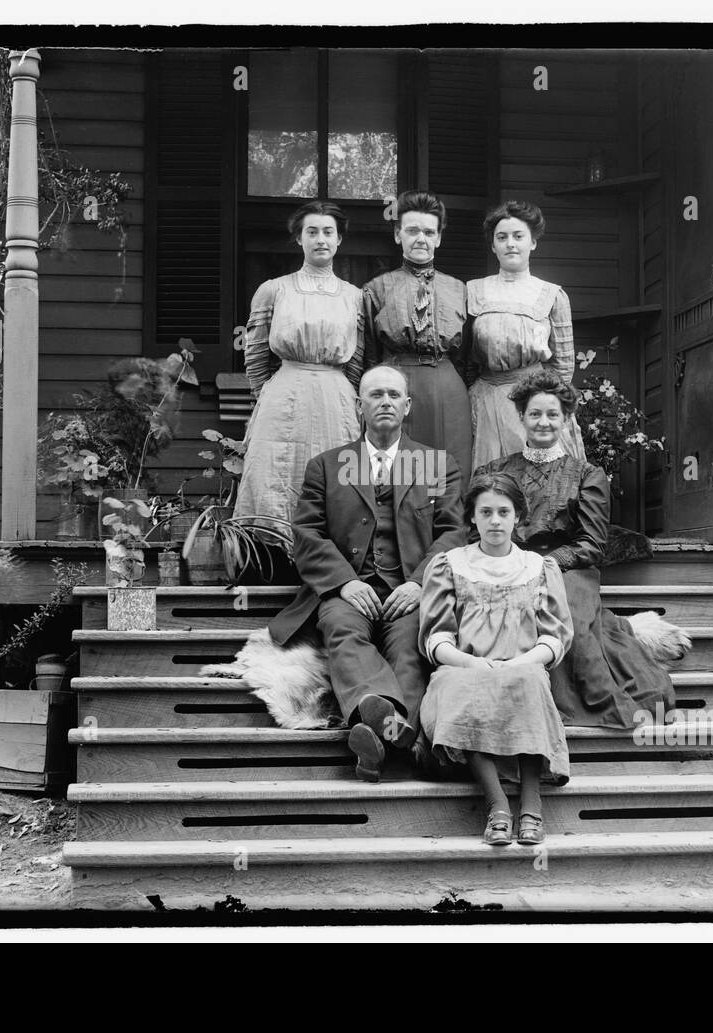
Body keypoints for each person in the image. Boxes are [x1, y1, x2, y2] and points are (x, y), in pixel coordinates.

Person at [268, 365, 466, 782]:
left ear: (407, 406)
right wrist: (345, 581)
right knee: (341, 631)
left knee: (413, 646)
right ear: (360, 406)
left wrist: (419, 582)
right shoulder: (328, 465)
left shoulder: (434, 464)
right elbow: (306, 532)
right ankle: (395, 731)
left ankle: (375, 738)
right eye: (376, 395)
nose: (386, 402)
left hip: (408, 591)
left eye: (394, 395)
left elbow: (454, 533)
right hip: (349, 590)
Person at [474, 370, 677, 728]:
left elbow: (592, 543)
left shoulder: (587, 474)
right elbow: (478, 526)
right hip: (507, 563)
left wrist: (546, 563)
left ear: (566, 420)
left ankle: (589, 701)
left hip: (570, 567)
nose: (543, 422)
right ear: (520, 417)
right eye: (535, 414)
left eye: (553, 415)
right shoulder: (497, 470)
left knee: (570, 622)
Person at [418, 472, 573, 846]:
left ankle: (532, 806)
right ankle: (498, 805)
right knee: (458, 686)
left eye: (504, 512)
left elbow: (555, 635)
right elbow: (436, 635)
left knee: (531, 682)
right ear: (472, 517)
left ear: (518, 516)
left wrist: (522, 663)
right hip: (467, 667)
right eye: (485, 512)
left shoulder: (538, 567)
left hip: (521, 665)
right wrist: (470, 663)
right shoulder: (450, 564)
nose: (495, 521)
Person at [233, 201, 365, 541]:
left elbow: (357, 361)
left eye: (328, 232)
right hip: (284, 396)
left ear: (339, 241)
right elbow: (257, 353)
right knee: (276, 474)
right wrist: (267, 398)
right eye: (312, 232)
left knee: (337, 476)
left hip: (337, 400)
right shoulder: (274, 290)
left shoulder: (354, 297)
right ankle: (273, 556)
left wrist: (347, 400)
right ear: (299, 239)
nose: (321, 239)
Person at [361, 190, 473, 478]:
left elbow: (466, 354)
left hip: (448, 387)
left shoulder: (459, 290)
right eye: (412, 231)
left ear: (438, 238)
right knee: (400, 469)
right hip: (396, 383)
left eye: (428, 231)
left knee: (448, 471)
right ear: (398, 235)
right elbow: (370, 355)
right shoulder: (377, 288)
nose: (420, 238)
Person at [466, 199, 586, 468]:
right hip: (485, 401)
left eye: (518, 236)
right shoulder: (473, 291)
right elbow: (466, 357)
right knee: (491, 484)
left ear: (532, 242)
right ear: (493, 245)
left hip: (533, 401)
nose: (510, 243)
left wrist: (540, 405)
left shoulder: (552, 295)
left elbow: (563, 368)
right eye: (502, 237)